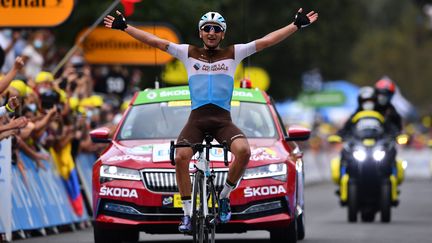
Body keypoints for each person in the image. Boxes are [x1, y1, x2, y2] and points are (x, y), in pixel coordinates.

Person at [104, 8, 318, 232]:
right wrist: (125, 28)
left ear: (223, 34)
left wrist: (295, 26)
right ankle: (187, 214)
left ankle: (224, 197)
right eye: (207, 28)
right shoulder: (188, 52)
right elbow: (156, 41)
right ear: (200, 32)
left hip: (223, 121)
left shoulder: (234, 53)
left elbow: (265, 41)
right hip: (196, 120)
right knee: (181, 157)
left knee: (244, 151)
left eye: (217, 29)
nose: (212, 32)